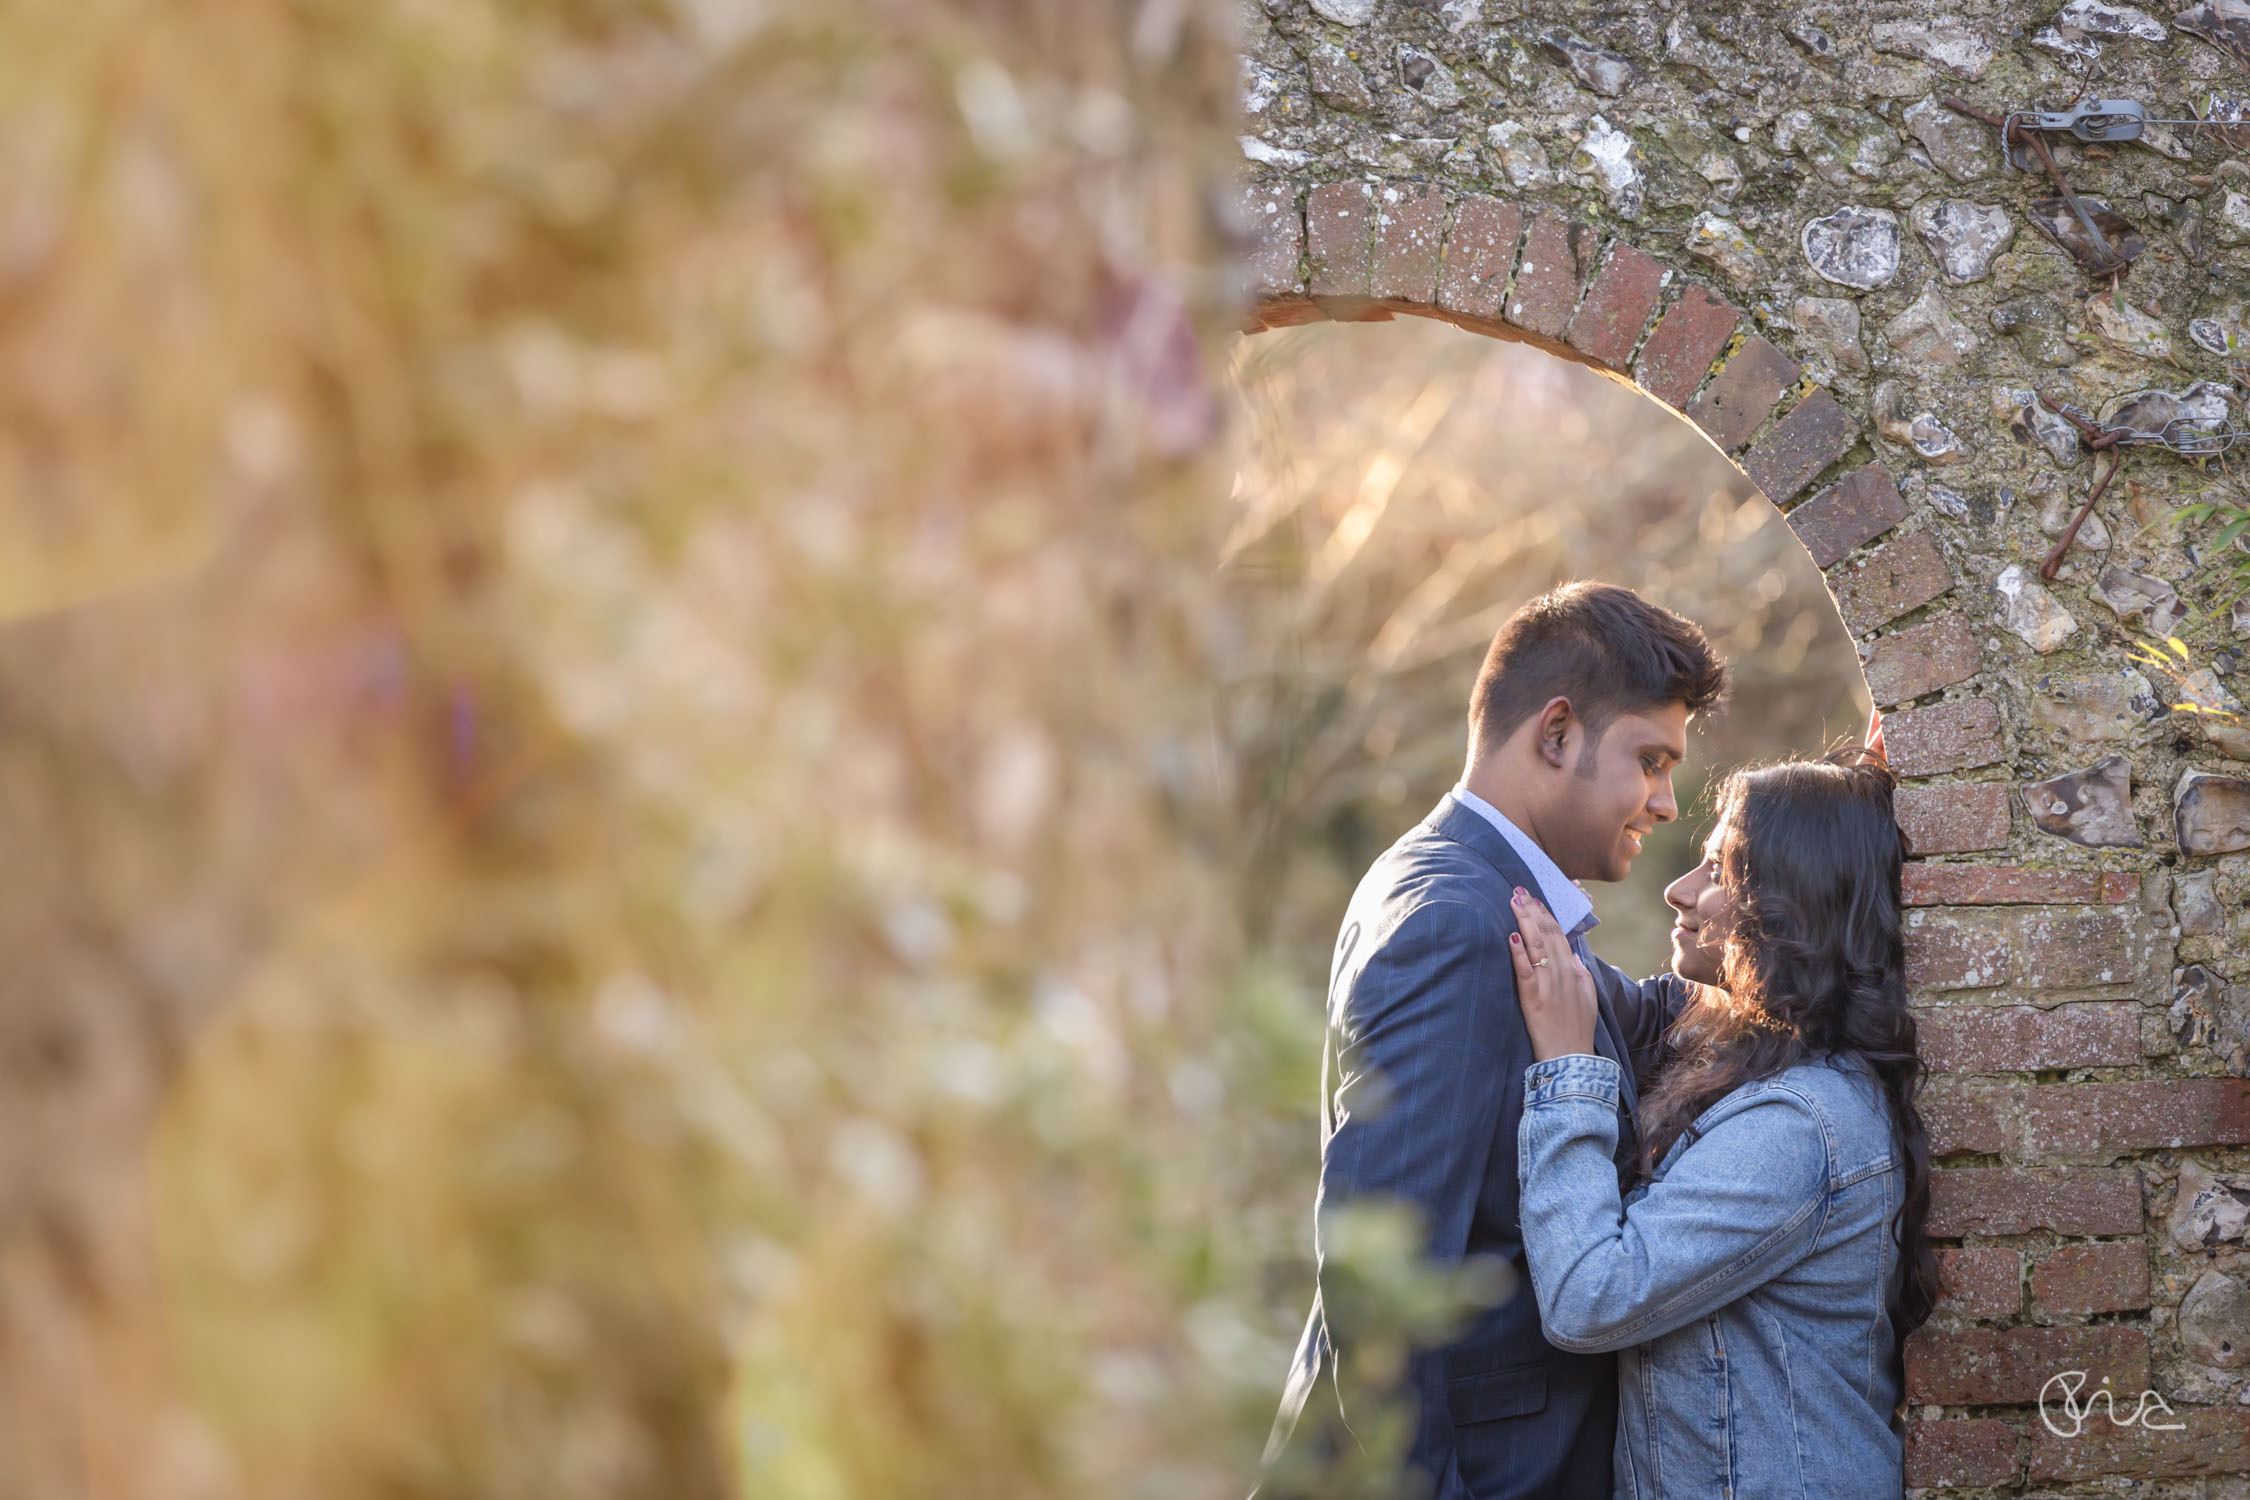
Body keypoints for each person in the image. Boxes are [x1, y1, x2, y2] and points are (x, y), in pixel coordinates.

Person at [1261, 581, 1728, 1500]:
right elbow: (1379, 1280)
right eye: (1650, 760)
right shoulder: (1455, 921)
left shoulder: (1485, 892)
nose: (1666, 802)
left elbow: (1644, 1018)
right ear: (1556, 734)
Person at [1508, 750, 1938, 1500]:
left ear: (1792, 907)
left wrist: (1569, 1071)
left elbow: (1590, 1298)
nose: (1678, 891)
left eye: (1717, 872)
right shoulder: (1767, 1069)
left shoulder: (1799, 1125)